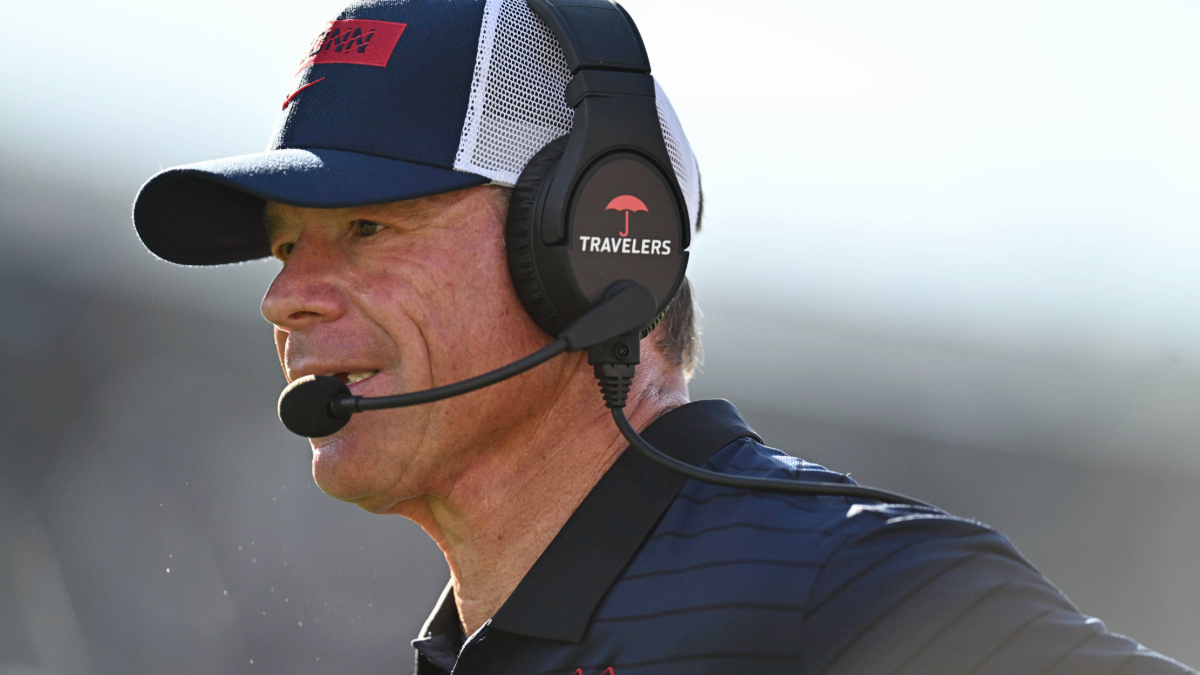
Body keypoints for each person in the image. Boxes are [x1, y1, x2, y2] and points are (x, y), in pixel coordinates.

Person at [132, 1, 1196, 673]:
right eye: (285, 249)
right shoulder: (481, 641)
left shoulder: (846, 583)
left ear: (596, 249)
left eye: (368, 228)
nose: (288, 298)